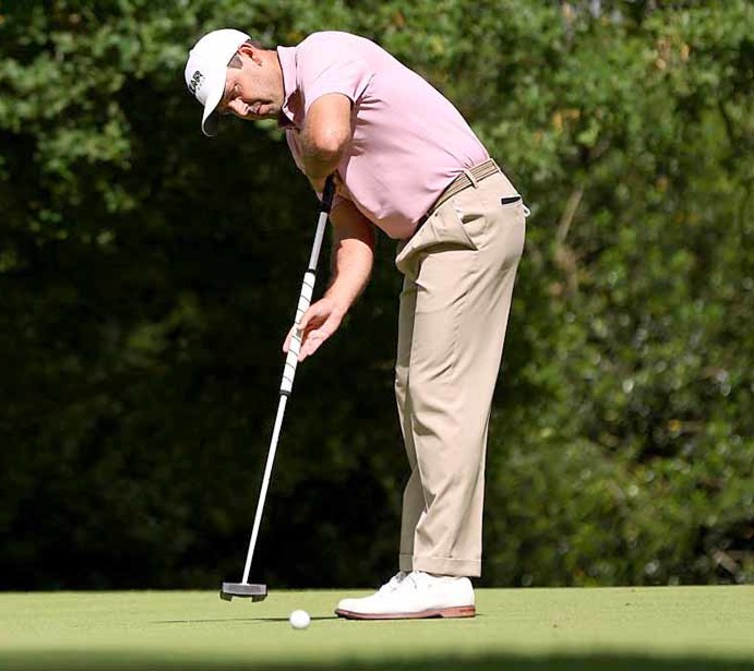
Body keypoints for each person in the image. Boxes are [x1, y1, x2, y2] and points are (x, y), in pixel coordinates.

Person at [184, 29, 528, 620]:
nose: (242, 111)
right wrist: (335, 303)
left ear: (249, 55)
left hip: (465, 214)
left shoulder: (323, 56)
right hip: (429, 236)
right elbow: (353, 233)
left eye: (235, 93)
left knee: (438, 393)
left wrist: (321, 168)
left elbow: (331, 137)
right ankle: (424, 567)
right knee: (413, 393)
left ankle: (441, 573)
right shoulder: (297, 137)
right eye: (228, 109)